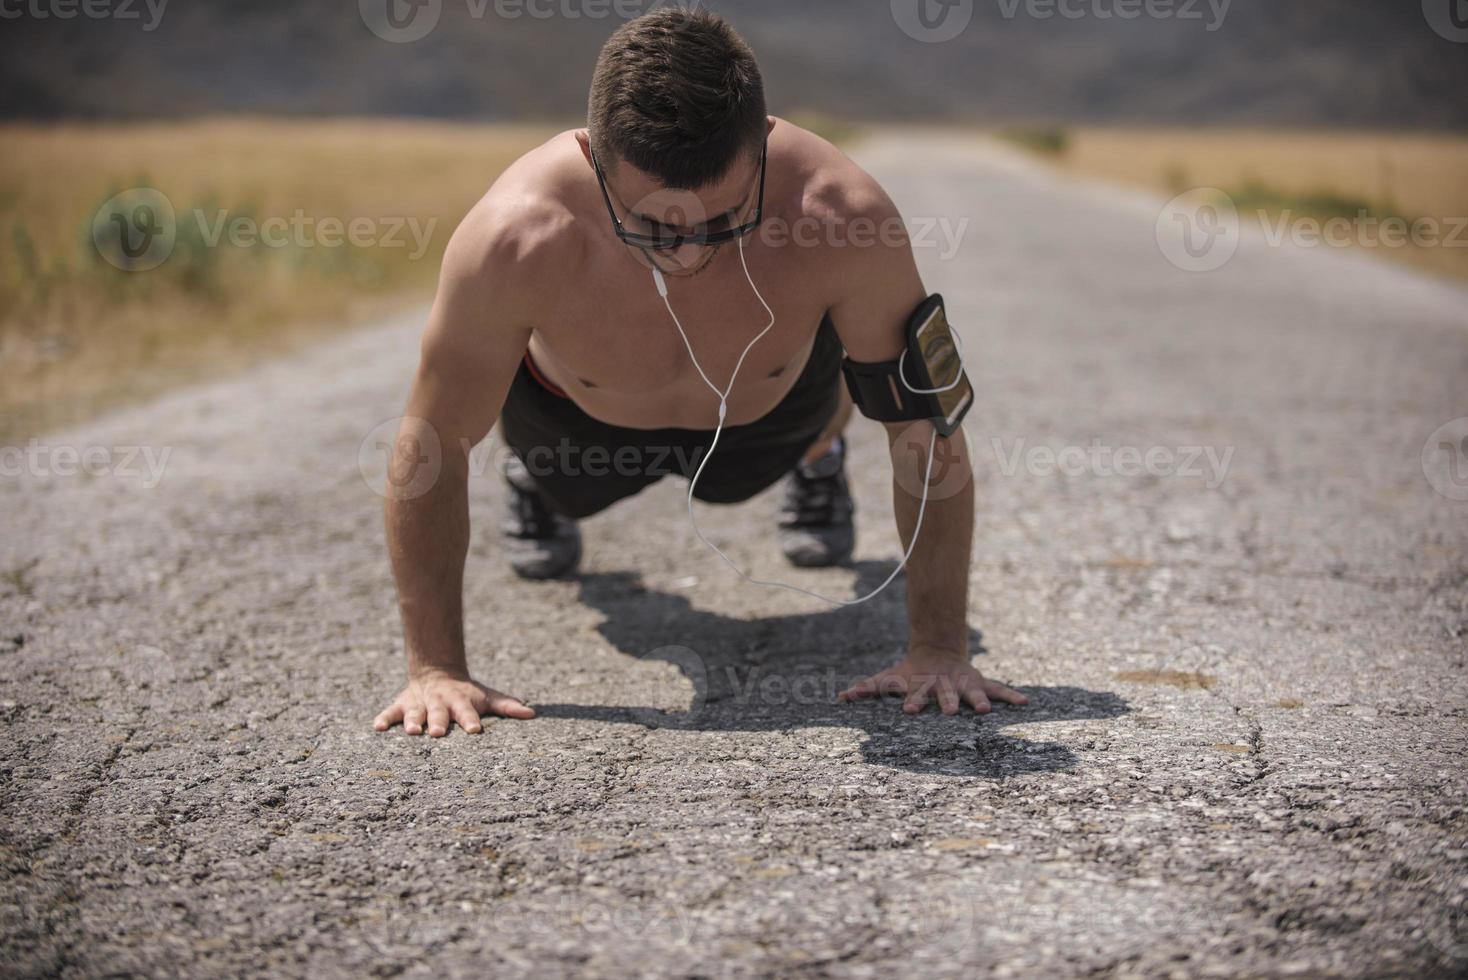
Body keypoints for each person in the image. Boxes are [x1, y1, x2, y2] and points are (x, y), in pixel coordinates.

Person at [373, 8, 1028, 738]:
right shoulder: (518, 235)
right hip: (574, 426)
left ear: (765, 148)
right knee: (623, 618)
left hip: (768, 421)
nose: (686, 254)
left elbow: (924, 423)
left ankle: (820, 455)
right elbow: (430, 444)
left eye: (722, 221)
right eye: (650, 226)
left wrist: (940, 650)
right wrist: (434, 668)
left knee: (850, 369)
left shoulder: (840, 215)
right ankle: (535, 482)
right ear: (593, 156)